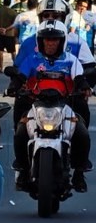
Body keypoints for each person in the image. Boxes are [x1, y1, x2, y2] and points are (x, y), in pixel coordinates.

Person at [8, 20, 90, 193]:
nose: (50, 43)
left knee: (81, 132)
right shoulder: (31, 59)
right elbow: (20, 77)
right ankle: (23, 170)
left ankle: (79, 173)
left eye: (55, 40)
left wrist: (83, 87)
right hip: (36, 105)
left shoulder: (71, 61)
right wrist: (14, 87)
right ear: (40, 41)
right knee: (21, 132)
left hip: (64, 105)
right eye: (47, 40)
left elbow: (79, 78)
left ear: (62, 42)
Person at [0, 0, 19, 70]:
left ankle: (1, 68)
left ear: (3, 2)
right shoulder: (13, 13)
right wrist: (6, 29)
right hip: (9, 34)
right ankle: (15, 66)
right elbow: (14, 24)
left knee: (0, 51)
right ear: (10, 3)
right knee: (13, 52)